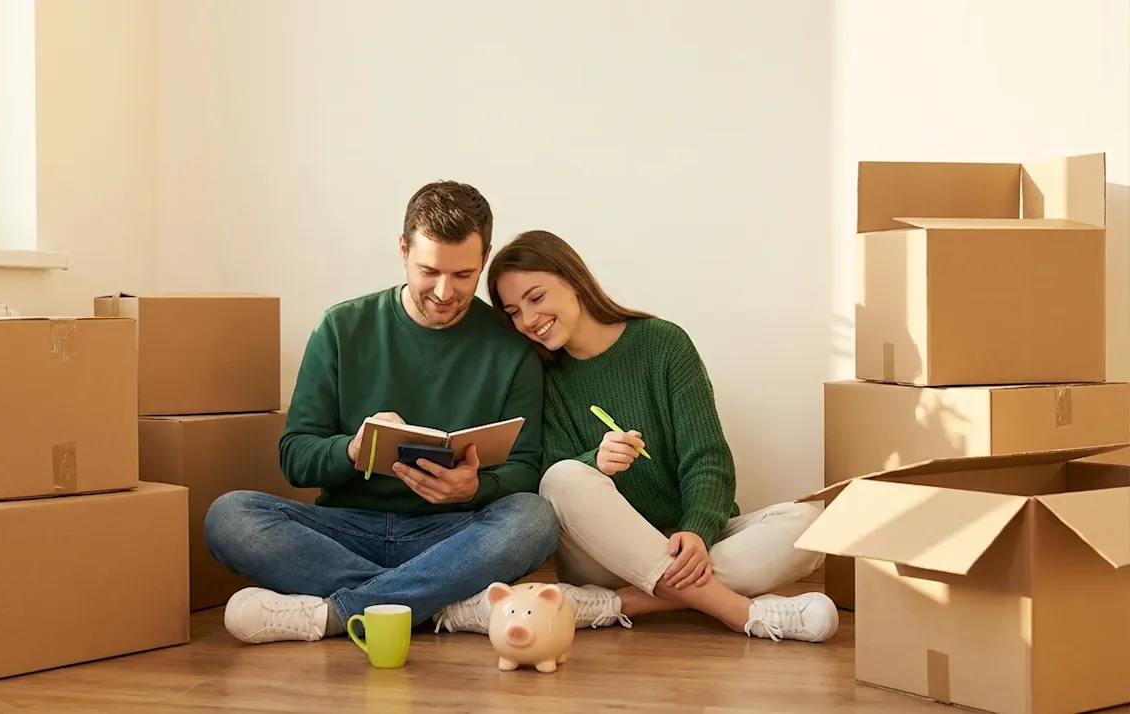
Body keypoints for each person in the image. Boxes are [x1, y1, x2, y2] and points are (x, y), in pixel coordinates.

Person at [432, 229, 839, 644]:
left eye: (536, 298)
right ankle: (741, 612)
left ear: (573, 280)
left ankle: (614, 605)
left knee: (808, 524)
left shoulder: (664, 344)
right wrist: (595, 463)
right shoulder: (541, 375)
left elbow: (708, 458)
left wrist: (697, 531)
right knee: (563, 477)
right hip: (602, 556)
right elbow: (548, 479)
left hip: (683, 544)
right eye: (515, 312)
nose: (530, 320)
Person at [203, 182, 559, 645]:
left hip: (452, 535)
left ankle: (342, 611)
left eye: (464, 275)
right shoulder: (342, 327)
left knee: (534, 519)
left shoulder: (512, 347)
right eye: (428, 271)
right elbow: (295, 457)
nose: (445, 292)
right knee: (229, 516)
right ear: (402, 249)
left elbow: (525, 469)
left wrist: (477, 485)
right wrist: (353, 448)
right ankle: (438, 605)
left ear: (486, 258)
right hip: (346, 529)